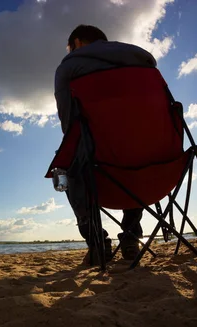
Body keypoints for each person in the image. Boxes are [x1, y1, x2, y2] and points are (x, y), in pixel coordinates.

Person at [54, 24, 157, 264]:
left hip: (97, 167)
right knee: (133, 152)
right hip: (153, 163)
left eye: (70, 47)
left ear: (77, 42)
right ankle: (131, 238)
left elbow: (67, 123)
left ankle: (97, 242)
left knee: (65, 169)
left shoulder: (69, 67)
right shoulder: (144, 62)